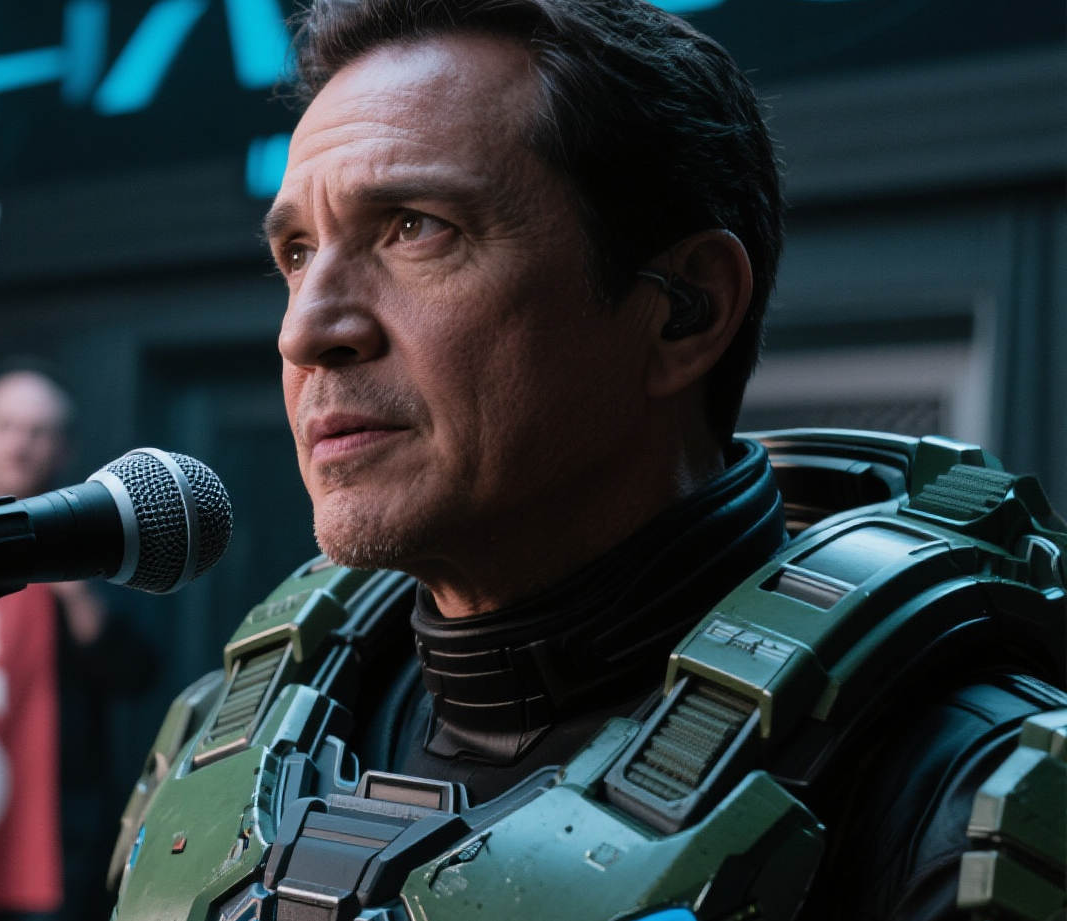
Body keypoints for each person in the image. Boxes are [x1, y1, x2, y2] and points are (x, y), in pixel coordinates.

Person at [108, 2, 1065, 920]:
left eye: (415, 227)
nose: (306, 332)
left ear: (685, 309)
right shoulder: (223, 744)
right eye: (296, 253)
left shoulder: (955, 802)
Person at [0, 364, 156, 921]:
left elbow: (137, 670)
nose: (19, 445)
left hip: (56, 824)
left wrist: (74, 593)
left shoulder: (102, 543)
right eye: (6, 427)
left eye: (37, 431)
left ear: (63, 449)